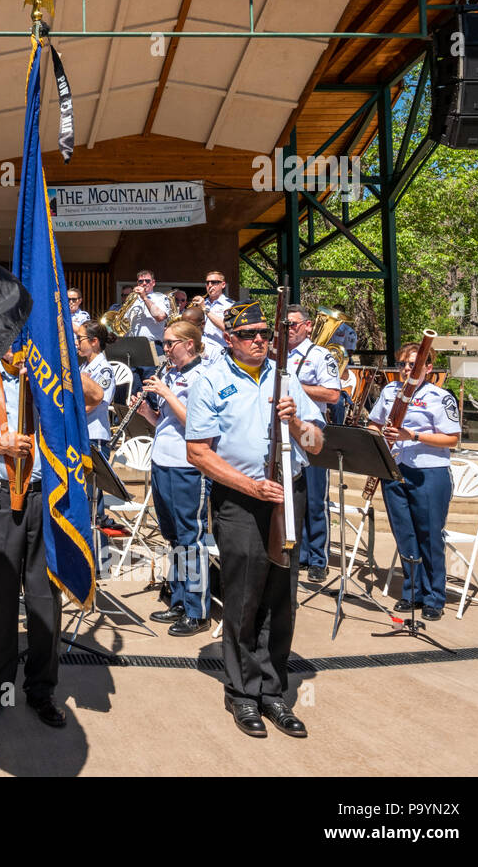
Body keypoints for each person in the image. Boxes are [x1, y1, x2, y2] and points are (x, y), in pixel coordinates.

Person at [0, 351, 104, 727]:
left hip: (49, 498)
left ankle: (42, 689)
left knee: (45, 598)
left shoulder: (50, 374)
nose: (18, 342)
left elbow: (94, 398)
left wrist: (58, 368)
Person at [186, 301, 324, 740]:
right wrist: (250, 488)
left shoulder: (285, 378)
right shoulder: (210, 379)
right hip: (242, 499)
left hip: (288, 492)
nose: (260, 340)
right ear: (230, 338)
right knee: (244, 595)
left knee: (281, 595)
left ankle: (272, 690)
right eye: (249, 334)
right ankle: (242, 691)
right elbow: (199, 452)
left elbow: (317, 443)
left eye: (264, 332)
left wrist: (296, 418)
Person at [368, 342, 461, 621]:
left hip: (428, 472)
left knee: (429, 535)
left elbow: (452, 438)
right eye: (403, 364)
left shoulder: (440, 396)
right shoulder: (389, 392)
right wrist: (376, 435)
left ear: (427, 368)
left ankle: (434, 596)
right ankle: (412, 591)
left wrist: (414, 436)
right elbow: (374, 423)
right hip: (394, 469)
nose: (407, 369)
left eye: (414, 365)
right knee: (405, 534)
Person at [137, 320, 210, 636]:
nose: (164, 349)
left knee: (190, 537)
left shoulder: (202, 376)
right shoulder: (172, 374)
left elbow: (195, 423)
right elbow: (165, 421)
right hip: (162, 460)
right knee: (172, 536)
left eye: (170, 343)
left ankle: (198, 610)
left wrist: (165, 391)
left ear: (190, 344)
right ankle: (179, 600)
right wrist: (146, 413)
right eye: (163, 343)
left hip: (187, 465)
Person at [285, 304, 343, 584]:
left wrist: (294, 386)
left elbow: (333, 394)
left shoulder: (320, 355)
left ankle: (319, 557)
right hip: (286, 428)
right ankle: (300, 553)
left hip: (310, 427)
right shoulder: (279, 355)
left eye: (294, 324)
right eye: (286, 325)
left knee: (315, 491)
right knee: (294, 490)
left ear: (308, 326)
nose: (290, 329)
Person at [76, 320, 116, 532]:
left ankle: (95, 530)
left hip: (95, 434)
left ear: (94, 341)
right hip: (82, 432)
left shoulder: (105, 369)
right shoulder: (84, 366)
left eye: (80, 339)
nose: (77, 343)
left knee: (93, 489)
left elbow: (98, 401)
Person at [124, 269, 171, 349]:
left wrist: (144, 298)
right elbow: (125, 322)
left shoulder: (161, 298)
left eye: (147, 281)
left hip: (153, 346)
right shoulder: (132, 299)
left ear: (153, 283)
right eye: (141, 281)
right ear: (137, 283)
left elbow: (160, 317)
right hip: (132, 345)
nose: (144, 283)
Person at [200, 271, 235, 344]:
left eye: (214, 282)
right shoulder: (202, 303)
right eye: (207, 283)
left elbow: (228, 328)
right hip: (202, 348)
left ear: (223, 285)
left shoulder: (230, 305)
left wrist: (206, 310)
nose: (210, 285)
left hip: (222, 349)